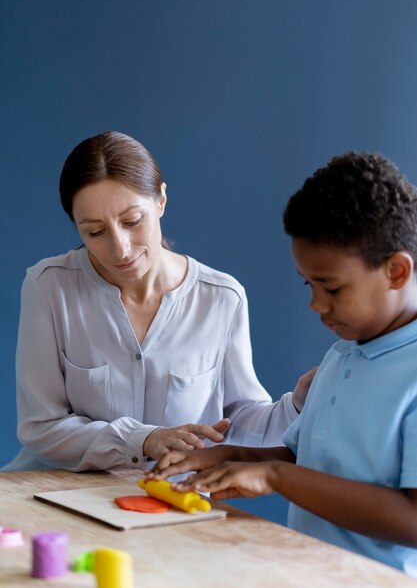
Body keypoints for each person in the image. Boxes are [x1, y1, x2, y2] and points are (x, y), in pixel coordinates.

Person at [147, 151, 417, 577]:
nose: (315, 304)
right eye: (308, 284)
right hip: (302, 571)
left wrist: (275, 478)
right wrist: (226, 456)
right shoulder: (343, 351)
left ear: (397, 271)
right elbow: (301, 458)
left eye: (331, 288)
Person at [2, 131, 313, 473]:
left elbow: (239, 423)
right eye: (95, 232)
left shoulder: (222, 297)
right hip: (52, 500)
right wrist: (143, 440)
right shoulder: (48, 286)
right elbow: (41, 428)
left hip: (163, 506)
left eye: (132, 221)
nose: (120, 248)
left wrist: (295, 405)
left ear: (161, 200)